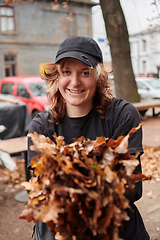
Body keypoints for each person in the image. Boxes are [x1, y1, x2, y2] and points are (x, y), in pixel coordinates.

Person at [28, 36, 150, 240]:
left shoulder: (122, 115)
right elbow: (40, 191)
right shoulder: (42, 126)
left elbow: (131, 188)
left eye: (85, 72)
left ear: (99, 77)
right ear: (57, 77)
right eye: (66, 72)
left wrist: (68, 180)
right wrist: (96, 179)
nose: (75, 82)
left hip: (116, 231)